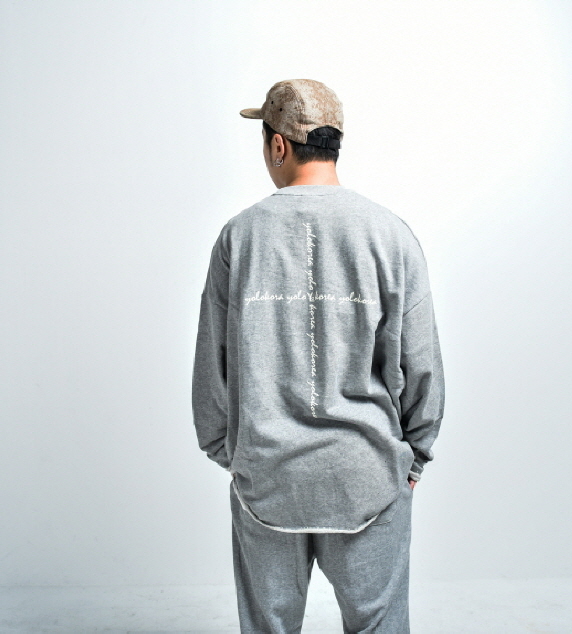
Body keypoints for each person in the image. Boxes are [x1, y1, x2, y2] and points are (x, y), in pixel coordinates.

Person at [191, 79, 444, 633]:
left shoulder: (239, 236)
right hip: (366, 474)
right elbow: (420, 361)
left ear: (279, 145)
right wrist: (415, 454)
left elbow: (213, 364)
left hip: (267, 475)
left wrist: (231, 453)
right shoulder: (390, 234)